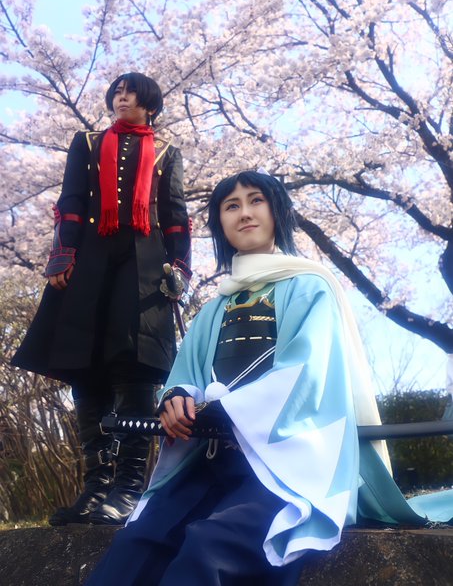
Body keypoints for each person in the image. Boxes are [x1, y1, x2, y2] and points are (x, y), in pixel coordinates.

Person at [87, 169, 427, 586]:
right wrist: (176, 397)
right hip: (209, 458)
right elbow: (186, 374)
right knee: (138, 542)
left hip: (286, 463)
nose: (244, 213)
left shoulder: (311, 288)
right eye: (231, 206)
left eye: (256, 201)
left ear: (277, 211)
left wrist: (227, 409)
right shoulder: (213, 308)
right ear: (220, 225)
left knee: (210, 544)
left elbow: (306, 373)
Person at [11, 72, 191, 527]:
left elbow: (175, 216)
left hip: (145, 267)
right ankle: (95, 487)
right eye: (117, 92)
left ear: (150, 104)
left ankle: (128, 488)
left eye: (130, 93)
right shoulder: (87, 142)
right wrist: (63, 254)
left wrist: (180, 269)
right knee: (84, 362)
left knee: (136, 365)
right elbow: (71, 201)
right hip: (91, 260)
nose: (121, 98)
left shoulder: (167, 151)